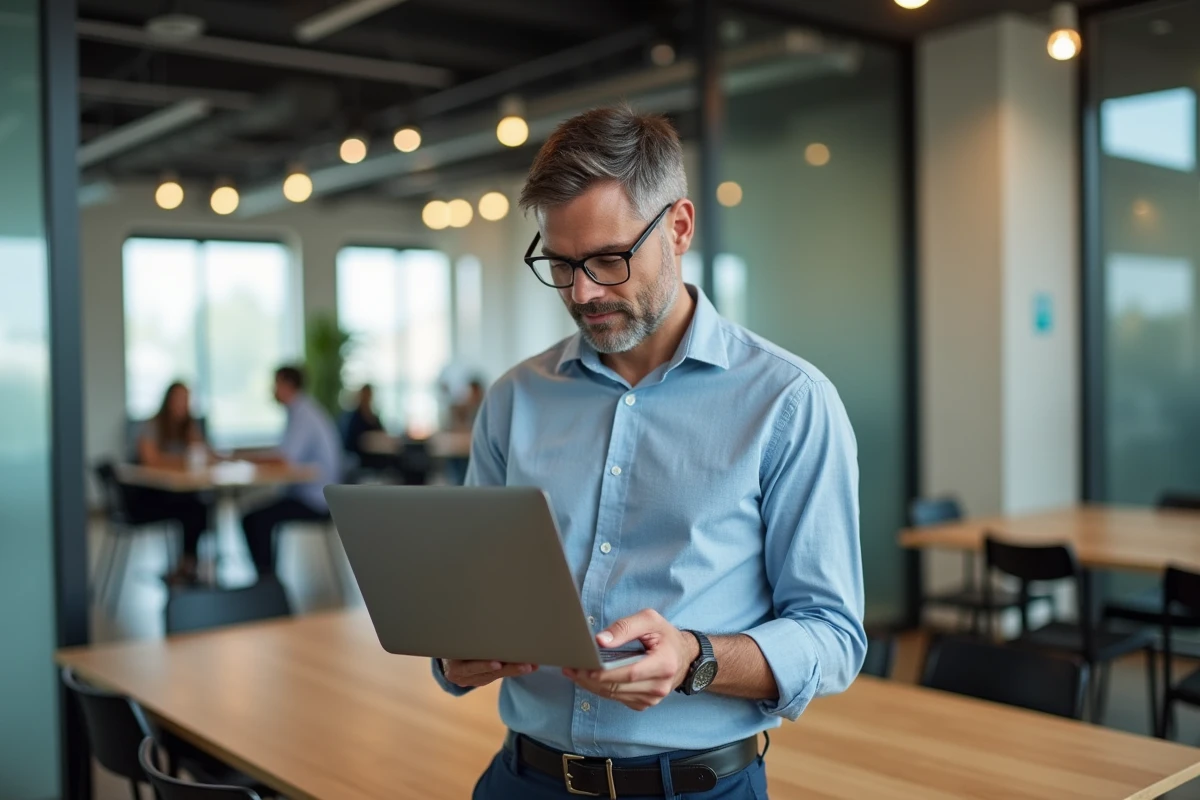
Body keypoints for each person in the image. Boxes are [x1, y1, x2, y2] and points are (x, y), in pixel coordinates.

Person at [433, 107, 865, 800]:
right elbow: (474, 598)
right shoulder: (515, 399)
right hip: (523, 778)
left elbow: (833, 636)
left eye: (609, 259)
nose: (583, 293)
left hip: (696, 788)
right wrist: (455, 651)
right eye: (560, 264)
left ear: (680, 227)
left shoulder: (789, 402)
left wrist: (696, 657)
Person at [240, 366, 343, 579]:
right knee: (257, 516)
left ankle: (267, 581)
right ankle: (267, 578)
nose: (272, 390)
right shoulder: (302, 410)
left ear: (287, 385)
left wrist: (245, 457)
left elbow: (284, 458)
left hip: (315, 500)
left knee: (255, 519)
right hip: (312, 494)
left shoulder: (303, 414)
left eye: (276, 384)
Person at [131, 381, 211, 585]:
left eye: (187, 399)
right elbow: (151, 460)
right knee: (193, 508)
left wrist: (192, 434)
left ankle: (189, 564)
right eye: (179, 398)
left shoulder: (188, 426)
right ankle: (186, 566)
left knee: (200, 506)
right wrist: (183, 459)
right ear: (168, 400)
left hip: (180, 491)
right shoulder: (153, 426)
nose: (183, 403)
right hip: (150, 494)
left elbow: (201, 454)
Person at [341, 383, 386, 459]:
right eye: (365, 395)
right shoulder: (354, 418)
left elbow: (382, 435)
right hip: (359, 458)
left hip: (376, 457)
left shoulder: (374, 418)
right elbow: (351, 441)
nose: (367, 398)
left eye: (369, 395)